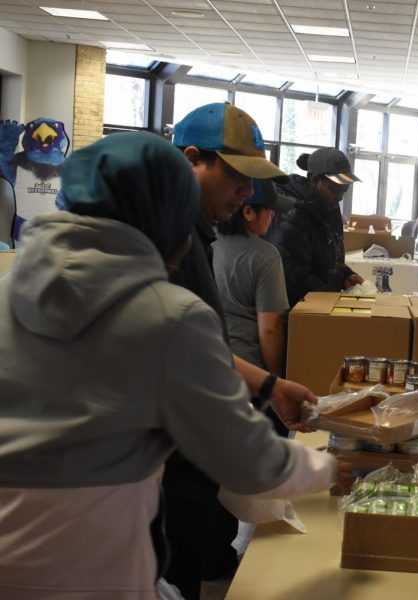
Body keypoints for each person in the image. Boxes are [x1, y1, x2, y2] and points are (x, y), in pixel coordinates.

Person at [0, 132, 346, 599]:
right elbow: (246, 459)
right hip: (90, 571)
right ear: (166, 218)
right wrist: (331, 468)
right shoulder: (168, 313)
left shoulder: (7, 293)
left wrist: (266, 385)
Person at [168, 102, 322, 598]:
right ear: (193, 159)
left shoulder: (200, 234)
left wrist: (270, 386)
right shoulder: (164, 238)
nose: (245, 190)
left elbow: (197, 343)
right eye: (237, 174)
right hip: (157, 464)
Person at [214, 180, 293, 377]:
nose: (273, 215)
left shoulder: (205, 242)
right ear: (248, 212)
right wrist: (275, 382)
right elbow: (270, 328)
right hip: (248, 372)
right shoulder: (264, 256)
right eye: (270, 209)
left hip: (208, 361)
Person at [268, 148, 363, 305]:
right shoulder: (290, 215)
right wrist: (335, 300)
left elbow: (327, 256)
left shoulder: (329, 206)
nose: (339, 197)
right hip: (300, 311)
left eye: (344, 191)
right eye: (334, 190)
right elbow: (295, 278)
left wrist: (345, 275)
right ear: (314, 180)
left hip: (322, 304)